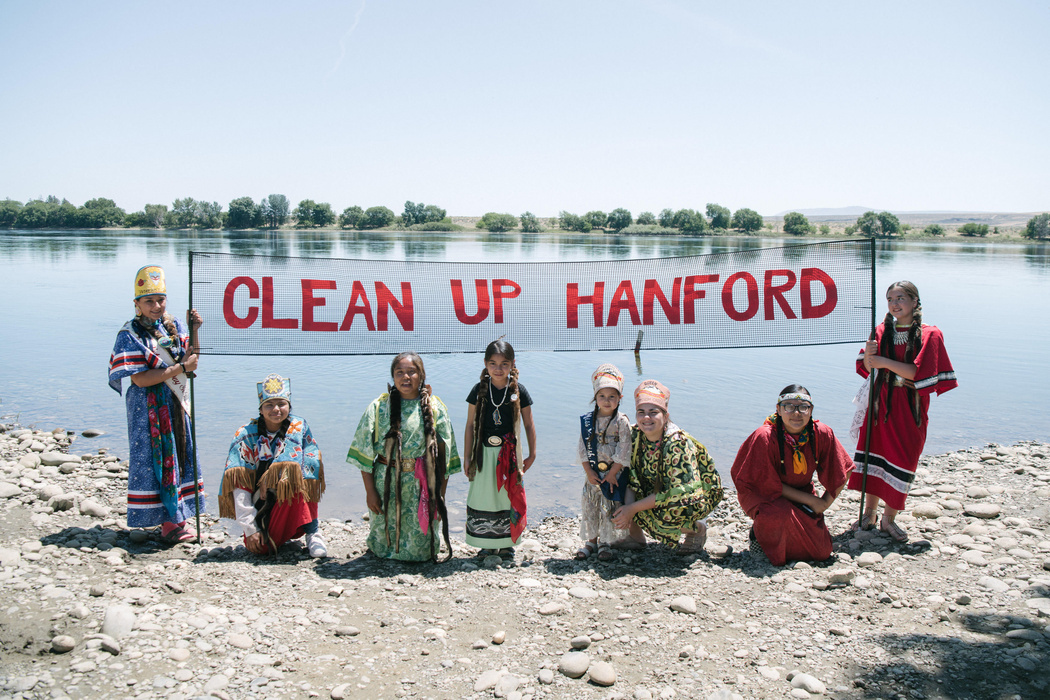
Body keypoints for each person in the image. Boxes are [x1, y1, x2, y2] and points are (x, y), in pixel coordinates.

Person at [847, 280, 957, 542]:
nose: (894, 304)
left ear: (915, 302)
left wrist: (882, 360)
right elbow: (867, 366)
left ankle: (889, 519)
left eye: (900, 298)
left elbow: (918, 373)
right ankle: (869, 514)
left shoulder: (931, 334)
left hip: (910, 405)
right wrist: (868, 354)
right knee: (875, 453)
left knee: (904, 456)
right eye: (890, 299)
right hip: (880, 402)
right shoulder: (882, 330)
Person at [108, 265, 203, 543]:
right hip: (147, 406)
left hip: (174, 402)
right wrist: (179, 369)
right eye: (149, 301)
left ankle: (179, 518)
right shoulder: (129, 334)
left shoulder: (174, 326)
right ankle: (165, 523)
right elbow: (139, 379)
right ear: (137, 303)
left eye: (160, 300)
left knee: (180, 452)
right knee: (156, 458)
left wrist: (195, 330)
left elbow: (191, 362)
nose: (156, 306)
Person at [347, 353, 460, 562]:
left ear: (421, 376)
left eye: (411, 372)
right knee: (383, 545)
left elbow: (445, 457)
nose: (405, 377)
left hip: (423, 485)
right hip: (386, 483)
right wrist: (370, 491)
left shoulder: (435, 408)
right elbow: (363, 453)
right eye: (399, 372)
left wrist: (440, 494)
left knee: (422, 552)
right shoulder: (378, 407)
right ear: (393, 377)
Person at [731, 385, 854, 566]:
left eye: (803, 407)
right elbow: (764, 483)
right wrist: (812, 501)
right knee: (777, 514)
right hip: (762, 494)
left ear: (811, 410)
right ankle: (758, 537)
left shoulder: (821, 433)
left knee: (822, 552)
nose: (796, 413)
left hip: (800, 491)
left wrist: (825, 502)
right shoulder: (765, 436)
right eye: (788, 406)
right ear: (778, 409)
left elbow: (844, 467)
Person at [218, 374, 327, 557]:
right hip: (260, 504)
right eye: (269, 405)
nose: (276, 409)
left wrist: (273, 479)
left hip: (289, 495)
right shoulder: (245, 435)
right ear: (260, 409)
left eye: (281, 404)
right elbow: (240, 486)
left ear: (289, 407)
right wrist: (250, 528)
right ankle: (263, 530)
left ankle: (312, 531)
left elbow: (311, 460)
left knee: (306, 468)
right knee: (263, 549)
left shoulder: (298, 427)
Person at [611, 380, 723, 553]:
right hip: (657, 490)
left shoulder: (677, 444)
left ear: (665, 414)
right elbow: (630, 475)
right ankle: (635, 536)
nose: (646, 418)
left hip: (690, 497)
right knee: (614, 486)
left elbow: (679, 494)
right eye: (641, 412)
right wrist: (626, 511)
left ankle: (696, 529)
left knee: (666, 516)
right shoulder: (634, 435)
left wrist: (632, 509)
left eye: (653, 412)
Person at [463, 339, 537, 558]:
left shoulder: (519, 390)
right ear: (485, 364)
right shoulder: (479, 390)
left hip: (510, 455)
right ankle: (485, 542)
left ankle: (507, 543)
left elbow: (529, 424)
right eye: (493, 363)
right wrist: (467, 457)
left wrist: (533, 454)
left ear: (512, 364)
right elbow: (469, 425)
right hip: (483, 453)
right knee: (484, 495)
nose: (498, 368)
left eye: (504, 364)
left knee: (507, 495)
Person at [576, 363, 635, 561]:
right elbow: (582, 447)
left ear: (620, 398)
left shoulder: (622, 421)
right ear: (595, 397)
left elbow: (625, 447)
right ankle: (591, 541)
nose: (607, 401)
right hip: (593, 474)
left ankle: (605, 542)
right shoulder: (588, 421)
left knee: (609, 506)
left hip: (613, 475)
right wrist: (588, 471)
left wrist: (613, 472)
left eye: (612, 397)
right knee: (591, 507)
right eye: (602, 396)